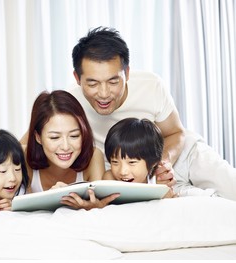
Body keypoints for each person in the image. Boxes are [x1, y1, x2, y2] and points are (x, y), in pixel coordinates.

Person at [69, 26, 236, 200]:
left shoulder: (151, 85)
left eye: (113, 82)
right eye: (93, 84)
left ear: (126, 73)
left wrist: (160, 165)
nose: (103, 93)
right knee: (201, 204)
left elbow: (176, 132)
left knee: (232, 190)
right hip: (129, 174)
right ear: (77, 78)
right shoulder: (70, 103)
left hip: (179, 157)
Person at [24, 90, 119, 208]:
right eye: (55, 137)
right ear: (38, 137)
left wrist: (94, 206)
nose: (65, 146)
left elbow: (100, 203)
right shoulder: (22, 157)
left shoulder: (93, 157)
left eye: (74, 136)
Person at [103, 118, 176, 198]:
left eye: (132, 162)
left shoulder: (158, 180)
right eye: (115, 162)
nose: (122, 172)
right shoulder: (110, 179)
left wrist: (163, 191)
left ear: (153, 162)